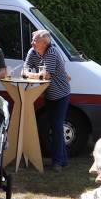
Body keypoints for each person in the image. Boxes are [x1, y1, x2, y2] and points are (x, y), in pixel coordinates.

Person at [23, 29, 71, 171]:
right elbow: (24, 70)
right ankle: (63, 160)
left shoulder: (52, 52)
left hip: (61, 94)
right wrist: (35, 74)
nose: (32, 43)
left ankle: (58, 162)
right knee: (54, 126)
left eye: (35, 40)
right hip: (48, 95)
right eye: (32, 40)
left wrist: (31, 74)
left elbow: (46, 76)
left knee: (57, 126)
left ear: (44, 43)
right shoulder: (32, 52)